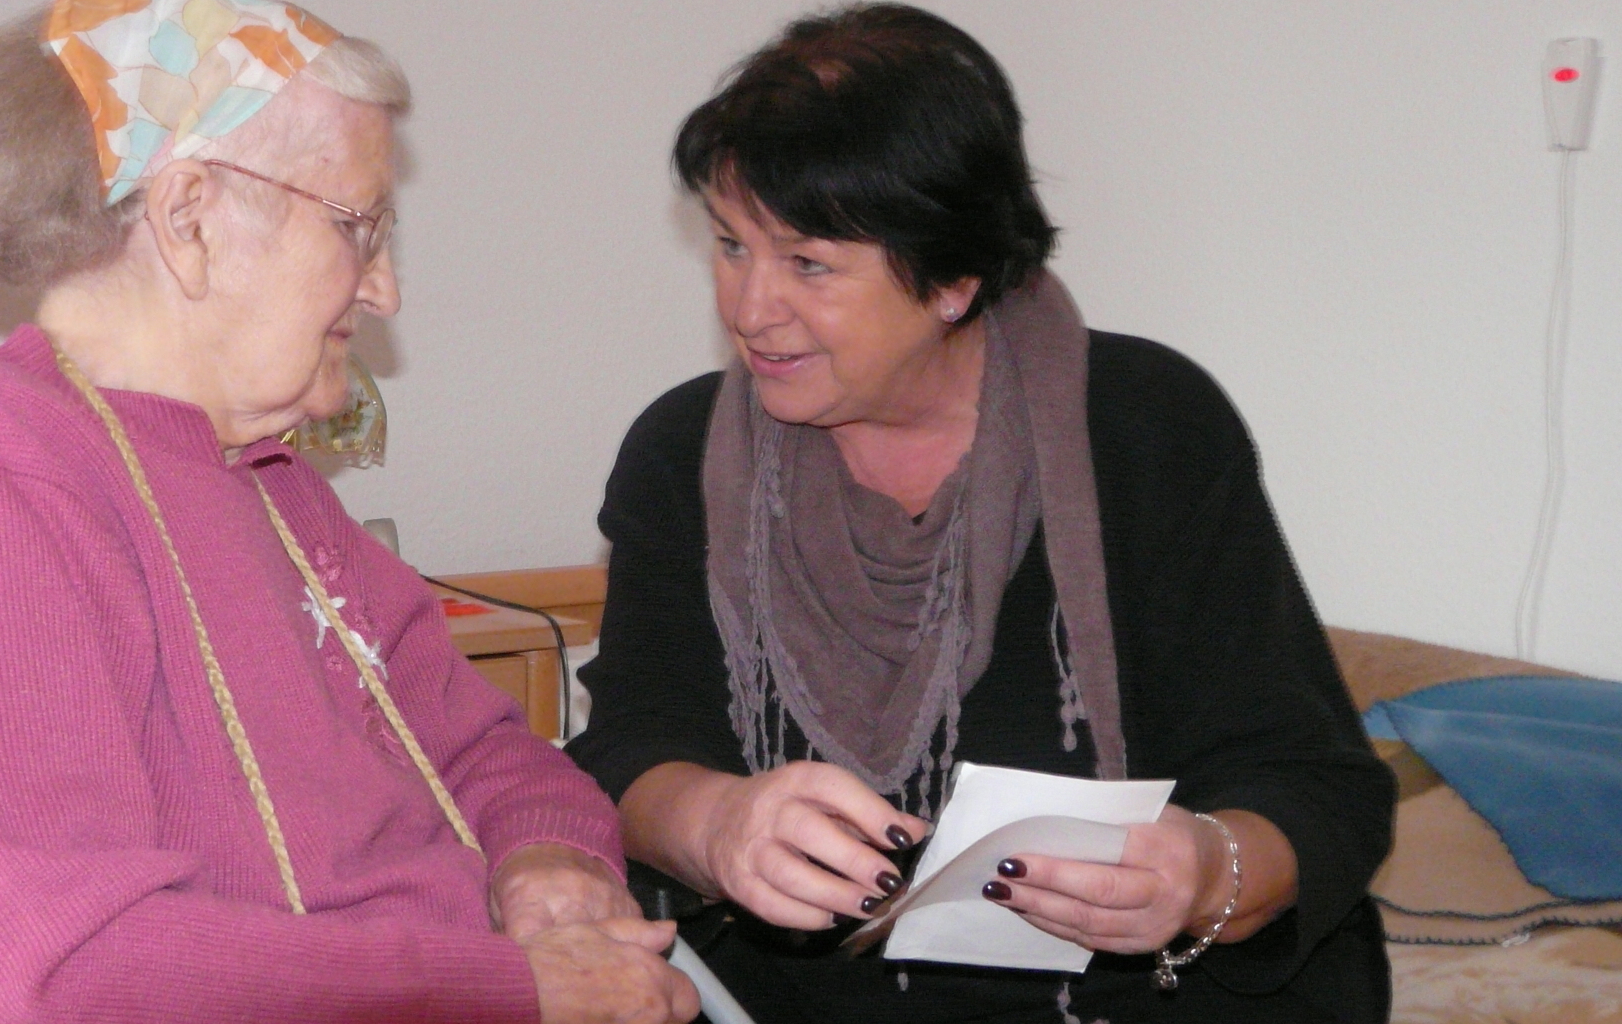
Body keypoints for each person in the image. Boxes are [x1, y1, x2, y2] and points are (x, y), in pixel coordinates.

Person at [0, 4, 696, 1023]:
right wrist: (519, 989)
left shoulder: (273, 481)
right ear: (189, 217)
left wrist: (547, 859)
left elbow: (491, 755)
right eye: (356, 226)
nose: (384, 290)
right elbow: (70, 974)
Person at [565, 5, 1395, 1022]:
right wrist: (712, 820)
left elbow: (1315, 788)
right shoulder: (683, 454)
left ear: (952, 277)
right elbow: (626, 751)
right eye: (732, 247)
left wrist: (1203, 873)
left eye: (808, 264)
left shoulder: (1145, 427)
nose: (749, 308)